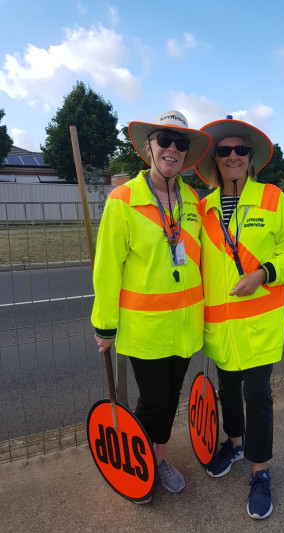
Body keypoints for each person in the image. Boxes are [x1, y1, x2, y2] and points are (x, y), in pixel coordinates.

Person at [91, 110, 211, 501]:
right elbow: (107, 269)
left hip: (185, 326)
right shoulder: (122, 201)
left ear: (186, 154)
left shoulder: (192, 200)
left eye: (180, 143)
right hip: (145, 330)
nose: (172, 149)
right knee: (153, 400)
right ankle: (137, 465)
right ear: (149, 148)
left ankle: (158, 461)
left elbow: (204, 261)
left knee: (171, 397)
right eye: (164, 140)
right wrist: (105, 326)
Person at [194, 116, 284, 519]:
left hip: (260, 324)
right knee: (228, 390)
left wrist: (263, 273)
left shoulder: (274, 198)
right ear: (214, 159)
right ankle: (235, 442)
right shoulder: (202, 207)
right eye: (224, 151)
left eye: (240, 149)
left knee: (257, 396)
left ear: (251, 157)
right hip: (220, 327)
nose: (232, 156)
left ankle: (260, 471)